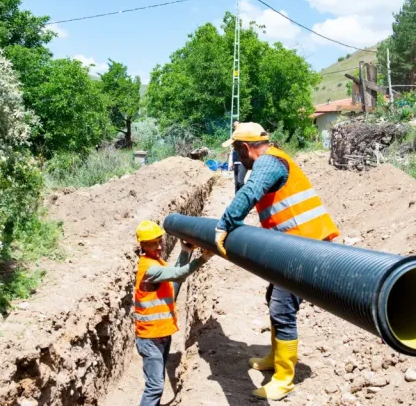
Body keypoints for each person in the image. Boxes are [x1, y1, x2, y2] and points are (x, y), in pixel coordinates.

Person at [213, 122, 340, 400]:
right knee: (274, 297)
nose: (236, 157)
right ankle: (274, 357)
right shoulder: (272, 159)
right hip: (291, 245)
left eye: (236, 151)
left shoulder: (269, 163)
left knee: (283, 308)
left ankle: (284, 377)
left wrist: (224, 224)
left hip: (305, 247)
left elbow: (250, 192)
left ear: (245, 148)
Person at [134, 220, 214, 406]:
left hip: (161, 335)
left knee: (157, 382)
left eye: (160, 241)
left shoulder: (156, 261)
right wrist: (202, 258)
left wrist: (185, 252)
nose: (160, 246)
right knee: (155, 387)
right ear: (143, 245)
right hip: (150, 339)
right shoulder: (149, 268)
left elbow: (174, 283)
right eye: (154, 243)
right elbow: (179, 275)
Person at [231, 121, 247, 193]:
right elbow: (233, 149)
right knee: (236, 183)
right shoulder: (234, 136)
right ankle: (237, 199)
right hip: (235, 161)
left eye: (236, 125)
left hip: (242, 161)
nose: (235, 127)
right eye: (234, 126)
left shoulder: (244, 135)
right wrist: (231, 162)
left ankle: (246, 196)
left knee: (240, 181)